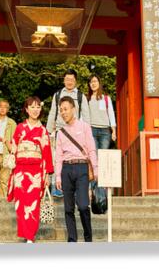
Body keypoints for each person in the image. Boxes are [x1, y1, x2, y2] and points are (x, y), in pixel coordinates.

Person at [6, 96, 53, 244]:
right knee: (21, 204)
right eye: (32, 107)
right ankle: (25, 233)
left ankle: (30, 236)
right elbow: (14, 148)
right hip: (20, 169)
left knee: (33, 204)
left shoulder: (43, 130)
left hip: (36, 171)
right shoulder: (20, 128)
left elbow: (46, 153)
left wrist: (47, 174)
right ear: (26, 109)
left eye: (38, 107)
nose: (35, 110)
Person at [54, 96, 97, 242]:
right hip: (66, 169)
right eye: (61, 110)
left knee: (84, 205)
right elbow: (58, 156)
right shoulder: (60, 133)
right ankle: (72, 240)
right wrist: (58, 176)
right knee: (68, 209)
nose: (63, 112)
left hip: (82, 167)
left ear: (74, 109)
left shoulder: (84, 127)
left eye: (66, 109)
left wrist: (95, 169)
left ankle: (88, 238)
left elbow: (91, 149)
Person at [46, 68, 90, 197]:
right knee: (57, 159)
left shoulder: (80, 96)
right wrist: (48, 132)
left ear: (75, 81)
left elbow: (86, 117)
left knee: (75, 160)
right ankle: (57, 187)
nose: (69, 82)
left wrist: (87, 134)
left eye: (72, 79)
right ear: (64, 80)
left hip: (77, 134)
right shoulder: (58, 95)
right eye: (67, 79)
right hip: (60, 131)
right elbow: (52, 113)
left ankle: (75, 188)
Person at [86, 74, 116, 208]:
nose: (93, 84)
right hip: (92, 130)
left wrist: (113, 131)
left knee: (102, 160)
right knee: (94, 160)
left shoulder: (106, 98)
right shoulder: (86, 100)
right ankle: (94, 190)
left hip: (105, 131)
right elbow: (83, 117)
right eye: (91, 82)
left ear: (99, 83)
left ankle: (101, 191)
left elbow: (111, 115)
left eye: (95, 81)